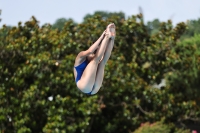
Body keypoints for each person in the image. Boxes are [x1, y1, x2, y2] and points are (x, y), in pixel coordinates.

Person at [73, 23, 116, 95]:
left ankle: (109, 37)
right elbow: (90, 51)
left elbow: (107, 53)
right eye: (92, 54)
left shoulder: (95, 60)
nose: (93, 56)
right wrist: (103, 36)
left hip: (94, 89)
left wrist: (112, 39)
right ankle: (107, 37)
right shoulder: (80, 56)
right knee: (95, 60)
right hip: (84, 85)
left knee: (102, 62)